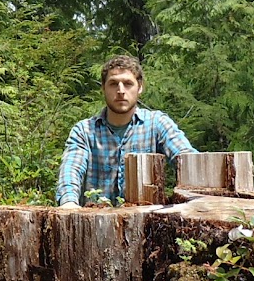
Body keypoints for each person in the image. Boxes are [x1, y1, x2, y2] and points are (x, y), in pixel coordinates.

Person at [56, 55, 196, 207]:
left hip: (148, 225)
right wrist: (68, 202)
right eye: (113, 84)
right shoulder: (84, 131)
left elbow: (187, 159)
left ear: (140, 87)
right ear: (103, 87)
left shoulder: (157, 124)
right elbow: (70, 171)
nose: (121, 91)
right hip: (95, 224)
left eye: (128, 83)